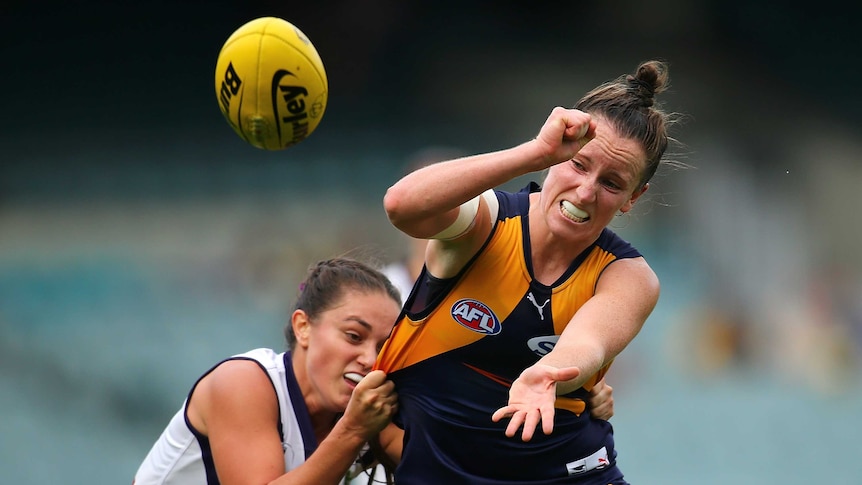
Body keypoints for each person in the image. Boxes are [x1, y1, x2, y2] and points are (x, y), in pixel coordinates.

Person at [375, 60, 677, 484]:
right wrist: (533, 152)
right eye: (578, 164)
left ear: (634, 197)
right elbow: (401, 205)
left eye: (612, 183)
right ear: (558, 154)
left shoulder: (629, 276)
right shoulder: (486, 223)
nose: (586, 191)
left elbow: (589, 340)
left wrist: (548, 373)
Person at [133, 257, 402, 485]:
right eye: (354, 336)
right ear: (303, 327)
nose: (370, 359)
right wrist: (353, 431)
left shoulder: (365, 414)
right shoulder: (242, 382)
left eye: (383, 348)